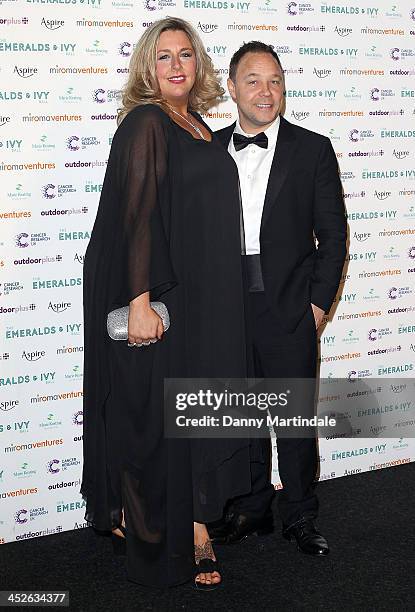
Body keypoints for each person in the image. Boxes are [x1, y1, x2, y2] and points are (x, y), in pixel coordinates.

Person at [80, 18, 253, 589]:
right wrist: (138, 300)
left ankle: (198, 521)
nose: (176, 65)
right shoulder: (146, 122)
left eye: (185, 54)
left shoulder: (198, 125)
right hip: (161, 296)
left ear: (197, 64)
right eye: (163, 57)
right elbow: (136, 213)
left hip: (205, 298)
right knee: (153, 419)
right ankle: (157, 534)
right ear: (147, 69)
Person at [208, 41, 347, 554]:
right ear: (232, 88)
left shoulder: (312, 149)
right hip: (224, 305)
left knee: (292, 421)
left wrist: (317, 304)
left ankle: (300, 516)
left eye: (275, 81)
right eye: (253, 81)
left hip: (288, 303)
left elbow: (333, 237)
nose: (266, 92)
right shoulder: (209, 149)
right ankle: (251, 508)